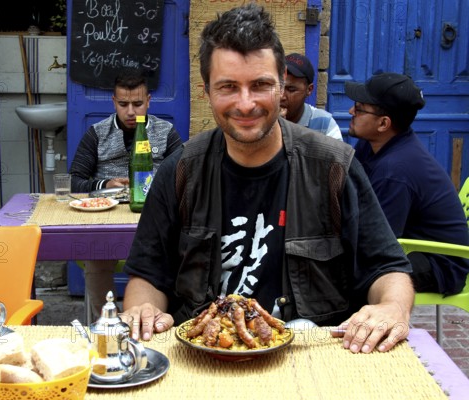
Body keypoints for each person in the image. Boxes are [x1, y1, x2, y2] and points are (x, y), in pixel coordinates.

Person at [122, 3, 414, 354]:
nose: (246, 104)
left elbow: (388, 268)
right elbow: (147, 274)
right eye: (228, 86)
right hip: (203, 356)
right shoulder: (180, 170)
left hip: (312, 356)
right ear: (207, 92)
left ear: (282, 89)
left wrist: (391, 307)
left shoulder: (334, 167)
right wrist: (143, 309)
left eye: (260, 85)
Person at [70, 70, 182, 319]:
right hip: (106, 219)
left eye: (137, 104)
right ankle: (107, 324)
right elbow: (75, 181)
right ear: (113, 102)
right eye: (123, 104)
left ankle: (154, 321)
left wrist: (159, 186)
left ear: (149, 101)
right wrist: (106, 183)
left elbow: (185, 176)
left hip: (154, 221)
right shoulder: (97, 133)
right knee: (96, 254)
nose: (131, 111)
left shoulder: (166, 132)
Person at [345, 72, 469, 295]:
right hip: (411, 246)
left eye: (360, 108)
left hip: (440, 263)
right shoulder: (372, 145)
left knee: (353, 275)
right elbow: (345, 188)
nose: (351, 111)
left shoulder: (395, 171)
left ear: (383, 123)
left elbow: (377, 242)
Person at [280, 53, 342, 140]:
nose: (281, 96)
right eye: (278, 87)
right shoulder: (265, 119)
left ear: (309, 90)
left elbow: (337, 153)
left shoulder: (324, 123)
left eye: (291, 90)